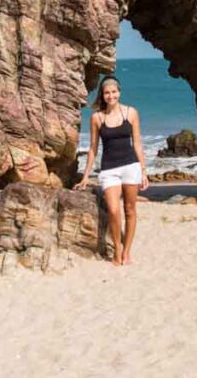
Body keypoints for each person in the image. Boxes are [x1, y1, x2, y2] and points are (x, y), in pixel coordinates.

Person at [74, 75, 148, 266]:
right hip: (109, 170)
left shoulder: (131, 113)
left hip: (131, 167)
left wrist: (144, 171)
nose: (111, 96)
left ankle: (127, 252)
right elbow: (92, 149)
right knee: (114, 210)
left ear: (119, 92)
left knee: (130, 210)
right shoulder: (97, 118)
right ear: (103, 95)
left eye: (114, 92)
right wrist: (85, 176)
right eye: (107, 93)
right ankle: (117, 248)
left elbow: (138, 144)